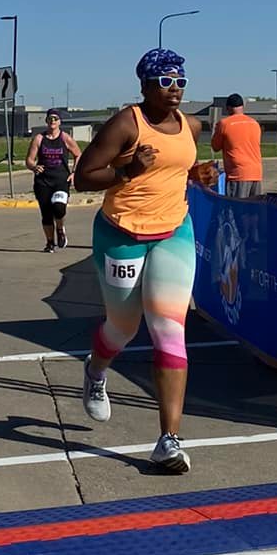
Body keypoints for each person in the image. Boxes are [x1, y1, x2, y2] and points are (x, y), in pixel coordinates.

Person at [73, 48, 203, 474]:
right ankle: (96, 372)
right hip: (122, 234)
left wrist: (196, 175)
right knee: (123, 325)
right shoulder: (126, 123)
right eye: (165, 82)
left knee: (169, 330)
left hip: (173, 233)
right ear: (145, 85)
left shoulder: (193, 125)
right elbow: (83, 177)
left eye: (180, 81)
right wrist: (128, 170)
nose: (175, 90)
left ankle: (169, 440)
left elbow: (178, 167)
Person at [25, 109, 81, 252]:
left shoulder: (65, 138)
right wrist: (34, 167)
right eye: (50, 118)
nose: (53, 121)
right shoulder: (39, 138)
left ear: (60, 121)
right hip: (43, 182)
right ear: (46, 121)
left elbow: (78, 154)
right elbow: (29, 160)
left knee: (59, 208)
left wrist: (74, 172)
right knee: (46, 213)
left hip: (61, 180)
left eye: (55, 119)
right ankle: (50, 243)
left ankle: (60, 229)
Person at [211, 94, 263, 198]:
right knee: (254, 211)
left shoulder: (224, 124)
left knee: (236, 210)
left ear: (228, 108)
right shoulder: (254, 123)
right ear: (242, 107)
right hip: (256, 173)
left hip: (237, 174)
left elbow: (215, 147)